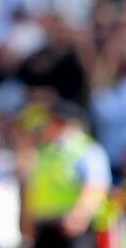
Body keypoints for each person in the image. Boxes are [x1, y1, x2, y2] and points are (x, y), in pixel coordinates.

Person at [24, 100, 112, 248]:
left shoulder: (87, 150)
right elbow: (34, 188)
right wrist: (29, 220)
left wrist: (79, 215)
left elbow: (97, 186)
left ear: (59, 122)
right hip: (45, 228)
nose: (43, 127)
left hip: (73, 229)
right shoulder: (46, 151)